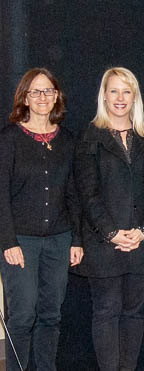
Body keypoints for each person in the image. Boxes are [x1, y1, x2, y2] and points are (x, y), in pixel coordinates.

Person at [73, 67, 144, 371]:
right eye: (113, 91)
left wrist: (143, 232)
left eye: (126, 91)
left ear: (135, 97)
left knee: (133, 312)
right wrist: (112, 233)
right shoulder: (90, 136)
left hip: (141, 243)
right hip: (104, 244)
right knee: (106, 311)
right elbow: (87, 194)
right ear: (104, 96)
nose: (120, 98)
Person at [0, 68, 83, 371]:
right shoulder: (9, 139)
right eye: (35, 91)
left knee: (51, 315)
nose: (42, 97)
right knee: (22, 316)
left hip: (59, 241)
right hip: (20, 242)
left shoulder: (67, 140)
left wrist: (76, 239)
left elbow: (74, 193)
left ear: (57, 96)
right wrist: (7, 241)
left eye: (48, 91)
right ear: (24, 97)